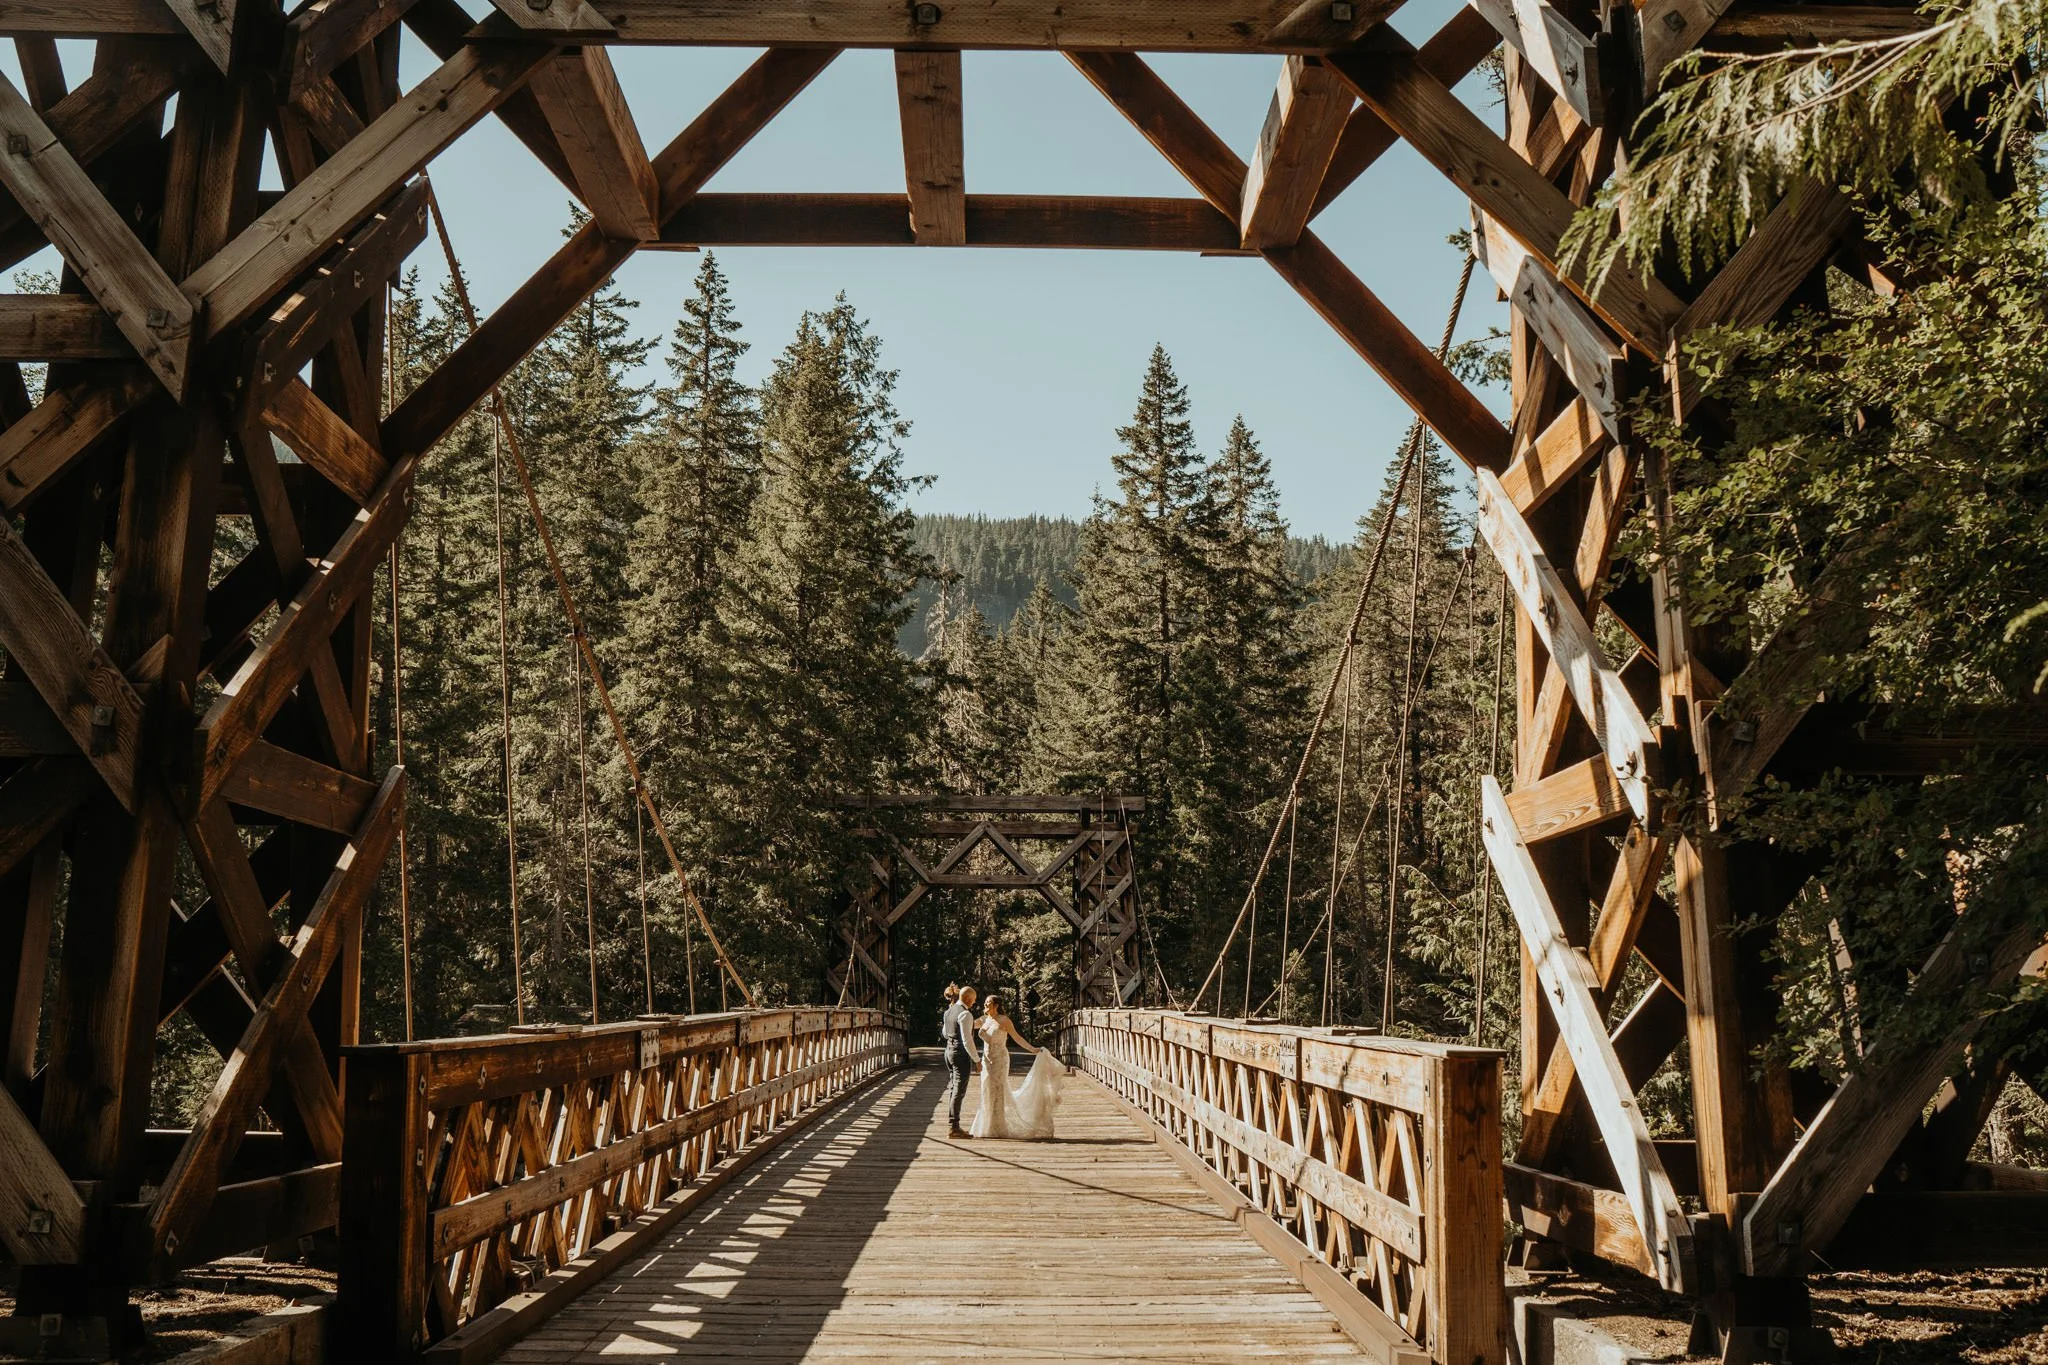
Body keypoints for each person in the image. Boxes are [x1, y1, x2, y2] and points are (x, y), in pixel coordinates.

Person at [969, 994, 1066, 1140]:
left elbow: (1017, 1037)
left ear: (996, 1005)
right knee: (986, 1089)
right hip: (986, 1061)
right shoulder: (984, 1019)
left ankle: (998, 1126)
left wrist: (1033, 1049)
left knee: (998, 1090)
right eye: (985, 1002)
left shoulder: (1004, 1020)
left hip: (1000, 1060)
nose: (985, 1005)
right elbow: (967, 1023)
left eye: (988, 1002)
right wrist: (954, 1004)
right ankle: (987, 1125)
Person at [940, 983, 979, 1138]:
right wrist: (977, 1059)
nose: (975, 1002)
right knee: (959, 1090)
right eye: (974, 999)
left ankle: (953, 1124)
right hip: (960, 1054)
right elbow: (967, 1040)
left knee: (953, 1088)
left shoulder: (949, 1012)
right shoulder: (965, 1014)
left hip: (948, 1052)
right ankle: (954, 1127)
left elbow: (945, 1033)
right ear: (968, 999)